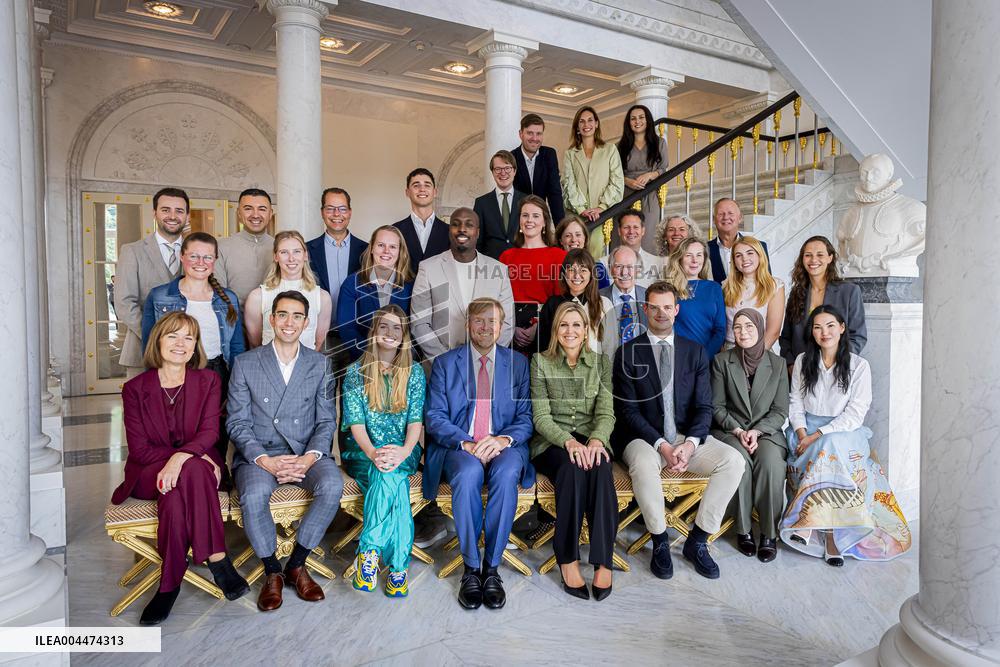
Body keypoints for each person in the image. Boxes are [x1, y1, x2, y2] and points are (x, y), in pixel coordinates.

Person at [112, 312, 248, 625]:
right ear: (158, 341)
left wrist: (181, 458)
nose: (181, 343)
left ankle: (169, 584)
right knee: (197, 470)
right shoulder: (135, 389)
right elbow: (141, 450)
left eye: (189, 337)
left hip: (192, 467)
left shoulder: (209, 380)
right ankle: (217, 558)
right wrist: (191, 457)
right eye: (173, 335)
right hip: (149, 471)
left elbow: (210, 433)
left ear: (196, 346)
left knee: (175, 498)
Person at [611, 281, 744, 580]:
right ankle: (659, 540)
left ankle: (697, 541)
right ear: (645, 310)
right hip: (643, 438)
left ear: (677, 310)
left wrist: (691, 445)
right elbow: (628, 412)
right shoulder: (627, 353)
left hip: (685, 436)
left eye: (667, 307)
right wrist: (662, 446)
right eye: (654, 307)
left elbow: (704, 407)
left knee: (732, 460)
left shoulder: (695, 352)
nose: (661, 313)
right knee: (645, 464)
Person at [227, 290, 343, 611]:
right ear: (271, 319)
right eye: (282, 315)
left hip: (305, 452)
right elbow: (237, 423)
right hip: (260, 455)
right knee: (252, 495)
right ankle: (272, 571)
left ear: (306, 323)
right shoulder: (246, 363)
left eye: (296, 316)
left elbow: (325, 421)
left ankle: (297, 563)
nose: (288, 322)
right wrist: (265, 461)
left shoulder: (320, 364)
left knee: (332, 484)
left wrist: (309, 458)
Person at [424, 298, 534, 610]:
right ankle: (471, 568)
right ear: (468, 325)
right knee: (469, 472)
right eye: (478, 321)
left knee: (507, 472)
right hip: (460, 446)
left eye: (492, 322)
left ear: (502, 327)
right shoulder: (446, 364)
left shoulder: (518, 364)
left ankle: (492, 569)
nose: (485, 328)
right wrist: (467, 443)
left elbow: (526, 417)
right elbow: (434, 417)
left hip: (503, 446)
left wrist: (502, 440)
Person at [783, 305, 911, 565]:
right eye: (818, 327)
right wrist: (801, 432)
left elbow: (856, 413)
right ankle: (825, 532)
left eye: (830, 326)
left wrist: (819, 433)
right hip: (804, 429)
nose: (824, 332)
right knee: (823, 448)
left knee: (829, 446)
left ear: (842, 328)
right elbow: (794, 403)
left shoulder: (859, 366)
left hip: (845, 432)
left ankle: (821, 530)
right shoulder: (802, 362)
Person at [530, 301, 616, 601]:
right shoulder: (540, 362)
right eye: (564, 325)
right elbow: (540, 417)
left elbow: (606, 413)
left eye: (576, 325)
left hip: (591, 438)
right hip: (553, 443)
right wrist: (568, 442)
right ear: (556, 330)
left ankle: (604, 559)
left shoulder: (601, 363)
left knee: (601, 468)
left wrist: (595, 441)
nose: (570, 331)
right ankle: (567, 559)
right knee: (571, 468)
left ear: (586, 331)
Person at [141, 232, 245, 479]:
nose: (201, 262)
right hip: (177, 371)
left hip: (217, 371)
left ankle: (215, 477)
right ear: (182, 256)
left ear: (215, 260)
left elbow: (238, 345)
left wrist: (238, 385)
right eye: (194, 256)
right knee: (178, 431)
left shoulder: (227, 298)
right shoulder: (160, 296)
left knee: (216, 431)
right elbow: (149, 344)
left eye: (207, 257)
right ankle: (181, 477)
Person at [341, 306, 424, 598]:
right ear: (374, 332)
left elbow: (415, 422)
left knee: (391, 474)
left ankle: (369, 554)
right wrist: (375, 453)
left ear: (404, 336)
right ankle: (399, 568)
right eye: (384, 327)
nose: (389, 334)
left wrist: (402, 452)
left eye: (397, 329)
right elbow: (357, 426)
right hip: (363, 451)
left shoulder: (414, 373)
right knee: (392, 481)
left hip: (405, 451)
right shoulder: (355, 372)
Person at [710, 309, 789, 563]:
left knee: (771, 463)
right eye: (738, 327)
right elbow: (717, 406)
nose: (743, 332)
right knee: (739, 461)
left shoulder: (777, 364)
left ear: (760, 328)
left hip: (766, 432)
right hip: (731, 430)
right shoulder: (722, 361)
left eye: (749, 327)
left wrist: (757, 431)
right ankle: (743, 530)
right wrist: (739, 430)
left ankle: (769, 533)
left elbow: (780, 411)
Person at [411, 207, 514, 361]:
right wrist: (447, 361)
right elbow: (419, 323)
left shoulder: (498, 270)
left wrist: (484, 357)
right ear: (449, 230)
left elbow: (507, 322)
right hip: (440, 367)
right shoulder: (428, 268)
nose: (462, 229)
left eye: (469, 225)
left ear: (477, 232)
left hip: (486, 367)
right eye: (456, 224)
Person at [115, 187, 187, 377]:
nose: (173, 216)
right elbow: (124, 303)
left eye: (179, 211)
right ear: (154, 213)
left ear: (187, 215)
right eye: (166, 210)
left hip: (187, 353)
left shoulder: (197, 253)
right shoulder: (132, 251)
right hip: (142, 350)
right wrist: (157, 337)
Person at [779, 235, 867, 372]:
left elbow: (858, 336)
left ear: (830, 258)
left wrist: (835, 365)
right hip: (800, 372)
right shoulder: (796, 293)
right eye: (808, 255)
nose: (813, 260)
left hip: (836, 371)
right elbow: (786, 337)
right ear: (802, 259)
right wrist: (791, 365)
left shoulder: (849, 291)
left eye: (820, 254)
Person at [498, 196, 566, 357]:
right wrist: (511, 327)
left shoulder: (559, 256)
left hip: (547, 331)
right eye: (525, 215)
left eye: (536, 216)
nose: (530, 220)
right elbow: (498, 300)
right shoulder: (506, 257)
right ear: (519, 220)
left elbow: (562, 301)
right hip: (510, 332)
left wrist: (539, 327)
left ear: (544, 222)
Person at [244, 231, 332, 351]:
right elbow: (255, 343)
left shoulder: (322, 297)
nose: (291, 258)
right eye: (284, 252)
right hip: (268, 365)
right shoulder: (257, 297)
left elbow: (319, 342)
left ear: (305, 255)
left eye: (297, 251)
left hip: (306, 366)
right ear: (276, 256)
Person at [337, 225, 413, 362]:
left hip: (399, 362)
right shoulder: (352, 284)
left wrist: (395, 358)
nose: (386, 251)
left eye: (393, 247)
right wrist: (372, 358)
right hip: (361, 361)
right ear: (372, 248)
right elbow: (347, 329)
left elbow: (412, 327)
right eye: (381, 245)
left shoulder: (409, 286)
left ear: (400, 251)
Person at [561, 106, 624, 258]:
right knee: (574, 258)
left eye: (590, 120)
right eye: (581, 121)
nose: (586, 124)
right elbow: (568, 183)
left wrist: (601, 207)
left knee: (596, 256)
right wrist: (582, 209)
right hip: (576, 215)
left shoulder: (610, 150)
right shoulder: (570, 154)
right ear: (577, 127)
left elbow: (616, 182)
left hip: (601, 215)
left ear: (596, 124)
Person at [306, 187, 369, 320]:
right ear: (322, 212)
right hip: (318, 329)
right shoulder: (307, 250)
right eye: (330, 208)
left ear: (350, 212)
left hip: (356, 329)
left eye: (342, 209)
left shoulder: (367, 251)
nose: (336, 214)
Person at [618, 104, 668, 253]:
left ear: (648, 121)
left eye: (641, 117)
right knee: (627, 231)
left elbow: (663, 169)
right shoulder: (620, 146)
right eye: (633, 118)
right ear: (628, 123)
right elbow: (615, 173)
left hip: (650, 193)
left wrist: (649, 175)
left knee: (648, 233)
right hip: (627, 193)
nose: (637, 121)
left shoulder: (659, 143)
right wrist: (627, 181)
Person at [215, 188, 276, 308]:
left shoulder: (281, 248)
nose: (255, 215)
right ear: (238, 213)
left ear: (270, 213)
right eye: (248, 209)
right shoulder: (221, 247)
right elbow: (218, 295)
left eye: (262, 209)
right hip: (233, 322)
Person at [665, 237, 726, 357]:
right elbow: (664, 328)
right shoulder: (669, 289)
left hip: (708, 359)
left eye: (699, 255)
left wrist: (704, 356)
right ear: (680, 258)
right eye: (688, 255)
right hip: (678, 357)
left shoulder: (714, 288)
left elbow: (720, 330)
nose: (694, 260)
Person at [722, 236, 785, 349]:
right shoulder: (725, 286)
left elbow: (773, 331)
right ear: (734, 261)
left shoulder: (775, 286)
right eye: (738, 255)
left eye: (750, 253)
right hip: (729, 352)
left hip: (761, 350)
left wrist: (754, 358)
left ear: (760, 255)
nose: (744, 259)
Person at [537, 249, 605, 354]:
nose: (577, 276)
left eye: (583, 270)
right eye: (571, 270)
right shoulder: (552, 304)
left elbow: (611, 345)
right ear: (564, 273)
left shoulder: (603, 304)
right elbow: (541, 344)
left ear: (591, 275)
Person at [393, 168, 450, 277]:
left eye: (427, 185)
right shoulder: (395, 231)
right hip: (405, 292)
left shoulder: (450, 231)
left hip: (441, 292)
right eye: (416, 185)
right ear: (407, 192)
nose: (422, 189)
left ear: (435, 192)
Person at [511, 113, 564, 222]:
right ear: (521, 134)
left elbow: (554, 193)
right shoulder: (511, 157)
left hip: (541, 219)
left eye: (539, 133)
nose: (535, 138)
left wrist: (561, 228)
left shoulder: (549, 155)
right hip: (518, 220)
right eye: (530, 133)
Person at [598, 245, 647, 359]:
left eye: (630, 267)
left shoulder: (648, 298)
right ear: (610, 269)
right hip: (606, 367)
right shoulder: (597, 298)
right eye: (618, 266)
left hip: (642, 366)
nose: (624, 273)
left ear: (638, 270)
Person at [475, 150, 525, 259]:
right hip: (491, 265)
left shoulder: (526, 201)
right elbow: (478, 241)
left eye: (507, 168)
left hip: (522, 264)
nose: (503, 173)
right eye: (498, 169)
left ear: (514, 171)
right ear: (492, 172)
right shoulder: (481, 203)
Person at [707, 198, 769, 283]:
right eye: (721, 214)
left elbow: (766, 281)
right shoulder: (705, 249)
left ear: (740, 218)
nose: (726, 217)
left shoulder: (759, 246)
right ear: (714, 220)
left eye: (730, 213)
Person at [601, 210, 665, 288]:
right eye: (626, 227)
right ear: (619, 231)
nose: (631, 231)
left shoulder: (658, 263)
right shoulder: (603, 263)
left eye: (635, 227)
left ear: (643, 231)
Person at [555, 215, 610, 289]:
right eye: (568, 236)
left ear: (585, 238)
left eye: (578, 235)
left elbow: (604, 296)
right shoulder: (553, 268)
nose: (574, 239)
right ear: (561, 241)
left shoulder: (598, 269)